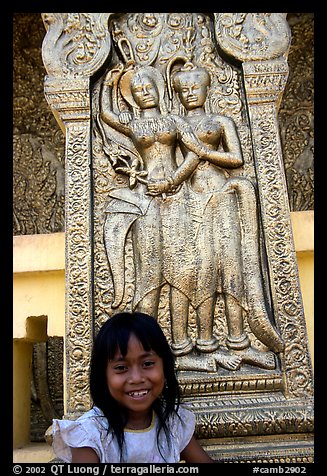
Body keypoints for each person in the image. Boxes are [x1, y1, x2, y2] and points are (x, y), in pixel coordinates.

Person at [148, 62, 284, 368]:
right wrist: (170, 182)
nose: (190, 93)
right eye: (184, 89)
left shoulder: (221, 121)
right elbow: (180, 164)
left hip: (223, 195)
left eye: (196, 87)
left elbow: (236, 158)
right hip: (190, 201)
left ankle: (239, 341)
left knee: (231, 270)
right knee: (199, 272)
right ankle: (203, 344)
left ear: (207, 88)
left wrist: (202, 151)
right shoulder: (175, 124)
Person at [51, 312, 214, 463]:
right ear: (103, 375)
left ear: (165, 368)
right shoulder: (90, 435)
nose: (136, 378)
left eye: (148, 364)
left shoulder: (172, 424)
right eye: (121, 367)